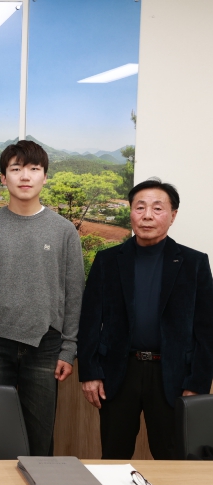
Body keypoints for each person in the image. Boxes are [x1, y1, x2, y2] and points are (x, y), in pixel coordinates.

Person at [78, 179, 213, 459]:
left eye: (157, 208)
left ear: (173, 215)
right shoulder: (107, 260)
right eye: (140, 207)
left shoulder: (194, 263)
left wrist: (197, 383)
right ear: (131, 212)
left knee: (173, 458)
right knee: (114, 456)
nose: (147, 215)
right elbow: (90, 321)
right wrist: (90, 373)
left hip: (173, 375)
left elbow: (206, 329)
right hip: (119, 372)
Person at [0, 140, 85, 457]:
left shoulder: (63, 231)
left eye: (34, 169)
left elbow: (74, 293)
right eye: (16, 169)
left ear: (44, 177)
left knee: (40, 437)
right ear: (3, 177)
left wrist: (69, 348)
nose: (25, 176)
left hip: (46, 345)